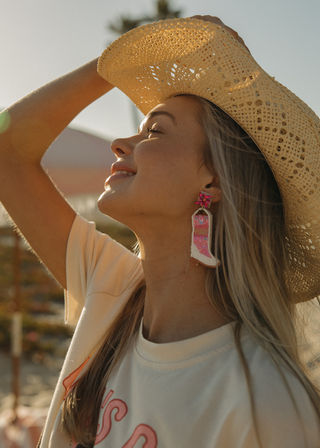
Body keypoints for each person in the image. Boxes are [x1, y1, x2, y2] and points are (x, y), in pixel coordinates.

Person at [0, 14, 319, 448]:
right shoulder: (110, 292)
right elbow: (8, 149)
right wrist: (118, 63)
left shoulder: (267, 402)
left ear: (213, 181)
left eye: (154, 131)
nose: (121, 144)